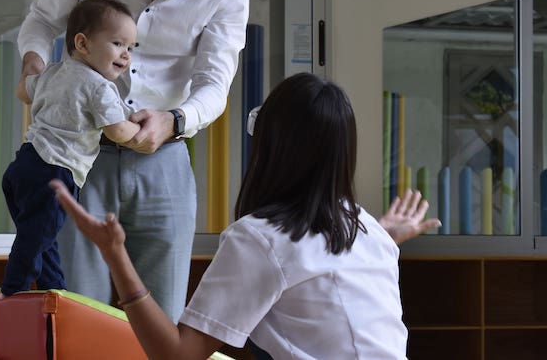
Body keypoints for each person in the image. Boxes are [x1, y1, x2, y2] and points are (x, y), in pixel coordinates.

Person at [52, 73, 439, 360]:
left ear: (272, 144)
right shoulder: (363, 227)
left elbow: (177, 355)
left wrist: (115, 254)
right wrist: (384, 233)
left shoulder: (261, 238)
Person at [17, 0, 249, 321]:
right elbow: (44, 19)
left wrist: (175, 120)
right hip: (75, 154)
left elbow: (215, 83)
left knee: (160, 317)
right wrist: (32, 60)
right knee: (74, 311)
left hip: (164, 159)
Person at [0, 0, 140, 297]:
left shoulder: (52, 72)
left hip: (24, 165)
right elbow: (116, 131)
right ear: (83, 43)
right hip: (55, 174)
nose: (126, 55)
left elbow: (23, 90)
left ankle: (56, 292)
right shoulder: (100, 87)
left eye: (131, 48)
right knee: (32, 246)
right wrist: (137, 127)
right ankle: (10, 296)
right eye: (117, 44)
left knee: (43, 239)